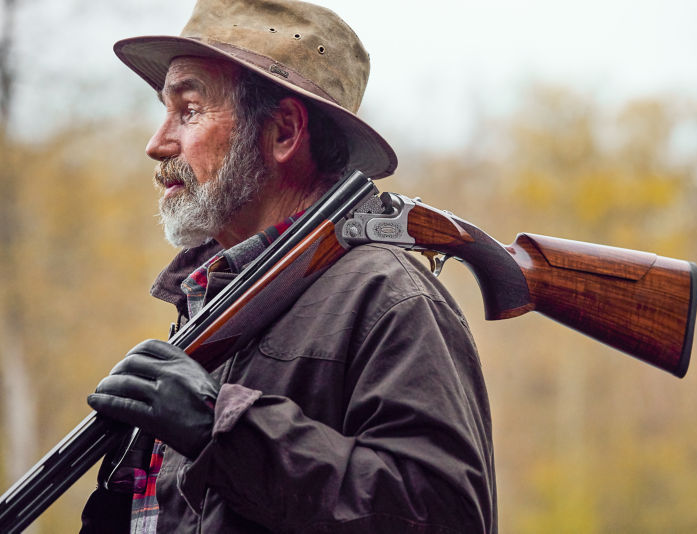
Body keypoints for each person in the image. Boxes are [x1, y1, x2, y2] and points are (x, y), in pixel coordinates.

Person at [82, 0, 496, 532]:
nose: (156, 144)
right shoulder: (214, 295)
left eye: (188, 111)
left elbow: (440, 514)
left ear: (283, 132)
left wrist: (218, 428)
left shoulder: (390, 297)